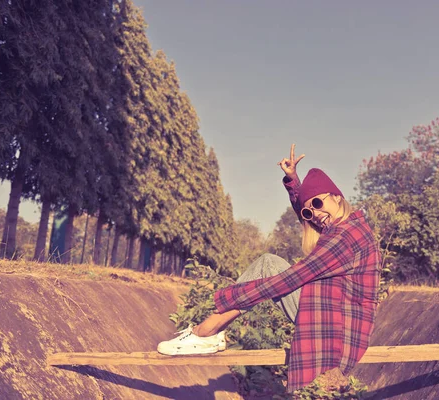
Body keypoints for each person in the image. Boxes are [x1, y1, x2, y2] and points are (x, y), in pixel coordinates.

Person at [157, 144, 382, 392]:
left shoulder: (346, 236)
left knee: (268, 265)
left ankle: (205, 331)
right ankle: (207, 332)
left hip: (335, 326)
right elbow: (310, 213)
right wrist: (295, 181)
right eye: (310, 210)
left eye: (318, 202)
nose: (315, 214)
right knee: (270, 263)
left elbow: (293, 278)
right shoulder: (342, 227)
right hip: (328, 312)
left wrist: (228, 297)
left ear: (337, 196)